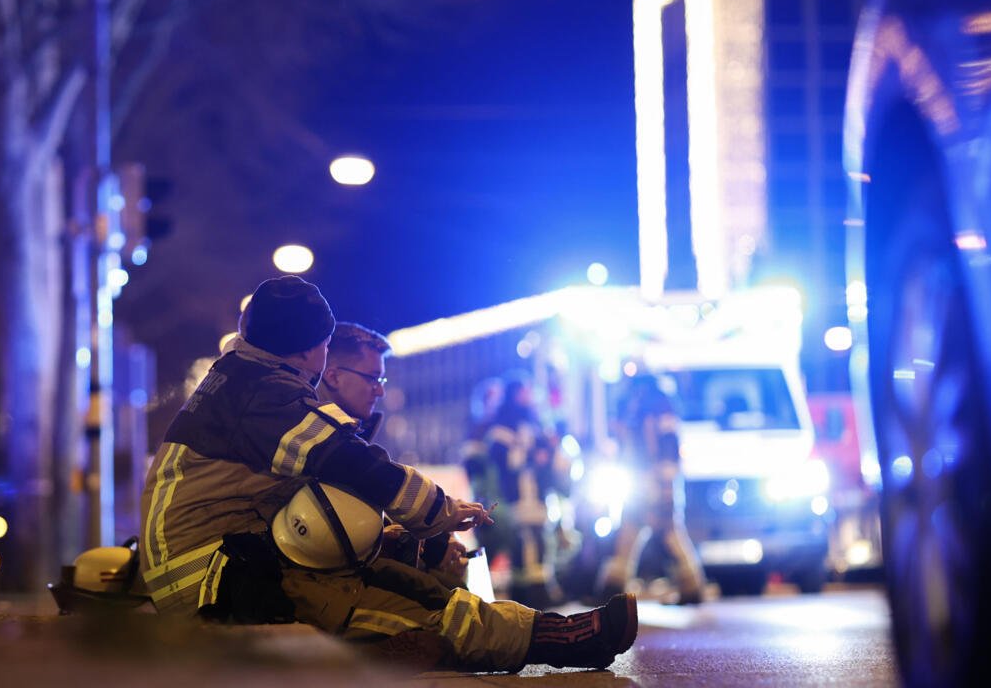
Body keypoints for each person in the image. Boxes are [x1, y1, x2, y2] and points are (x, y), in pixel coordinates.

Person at [139, 276, 638, 672]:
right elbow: (350, 463)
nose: (377, 388)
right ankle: (567, 641)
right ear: (311, 350)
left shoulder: (244, 380)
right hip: (220, 580)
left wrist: (406, 534)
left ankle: (554, 631)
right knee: (412, 612)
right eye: (325, 344)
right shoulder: (266, 396)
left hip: (229, 563)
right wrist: (438, 513)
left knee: (410, 588)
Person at [317, 321, 469, 588]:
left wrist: (430, 541)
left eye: (382, 379)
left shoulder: (338, 433)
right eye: (372, 378)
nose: (380, 390)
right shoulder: (318, 437)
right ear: (333, 376)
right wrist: (432, 545)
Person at [601, 374, 706, 605]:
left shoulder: (654, 409)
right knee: (637, 531)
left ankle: (613, 589)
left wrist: (664, 475)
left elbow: (666, 444)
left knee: (664, 531)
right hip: (646, 478)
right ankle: (614, 589)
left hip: (656, 479)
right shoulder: (647, 409)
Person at [469, 374, 566, 609]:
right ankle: (526, 594)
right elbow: (505, 464)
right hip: (511, 498)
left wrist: (547, 451)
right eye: (522, 391)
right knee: (520, 544)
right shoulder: (497, 432)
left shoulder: (534, 425)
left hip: (536, 495)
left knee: (539, 541)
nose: (528, 396)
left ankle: (537, 590)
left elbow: (547, 456)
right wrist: (533, 455)